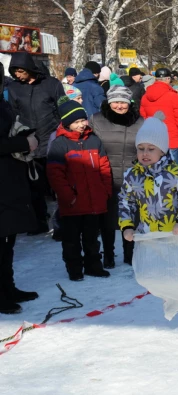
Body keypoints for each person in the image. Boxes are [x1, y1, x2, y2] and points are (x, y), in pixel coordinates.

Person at [47, 98, 112, 281]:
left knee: (91, 238)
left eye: (83, 120)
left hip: (94, 201)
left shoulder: (94, 140)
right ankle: (74, 269)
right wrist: (68, 196)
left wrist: (105, 190)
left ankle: (93, 266)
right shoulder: (60, 144)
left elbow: (104, 167)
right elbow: (55, 175)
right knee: (72, 240)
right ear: (67, 124)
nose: (82, 124)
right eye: (76, 122)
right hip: (73, 204)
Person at [118, 113, 178, 245]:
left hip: (176, 236)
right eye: (140, 149)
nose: (145, 153)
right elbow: (125, 200)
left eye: (151, 149)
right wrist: (127, 226)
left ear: (162, 151)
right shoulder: (133, 175)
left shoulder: (175, 173)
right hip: (148, 238)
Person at [8, 51, 65, 235]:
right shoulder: (15, 89)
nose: (17, 74)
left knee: (58, 186)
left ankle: (61, 223)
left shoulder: (52, 84)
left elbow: (63, 109)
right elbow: (14, 115)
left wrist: (62, 134)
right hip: (30, 145)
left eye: (20, 70)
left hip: (53, 141)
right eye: (14, 70)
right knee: (34, 188)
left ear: (29, 68)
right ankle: (39, 221)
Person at [0, 63, 39, 314]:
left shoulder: (2, 103)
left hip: (9, 181)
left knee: (8, 240)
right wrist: (23, 141)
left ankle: (8, 287)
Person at [90, 85, 144, 268]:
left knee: (130, 217)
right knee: (107, 219)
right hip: (105, 176)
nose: (119, 106)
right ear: (108, 102)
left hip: (132, 177)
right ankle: (109, 255)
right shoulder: (97, 120)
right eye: (115, 102)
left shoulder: (140, 122)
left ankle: (130, 254)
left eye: (123, 102)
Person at [140, 67, 178, 165]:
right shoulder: (173, 96)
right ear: (168, 79)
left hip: (153, 139)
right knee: (175, 173)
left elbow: (143, 118)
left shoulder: (145, 97)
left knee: (156, 172)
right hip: (172, 139)